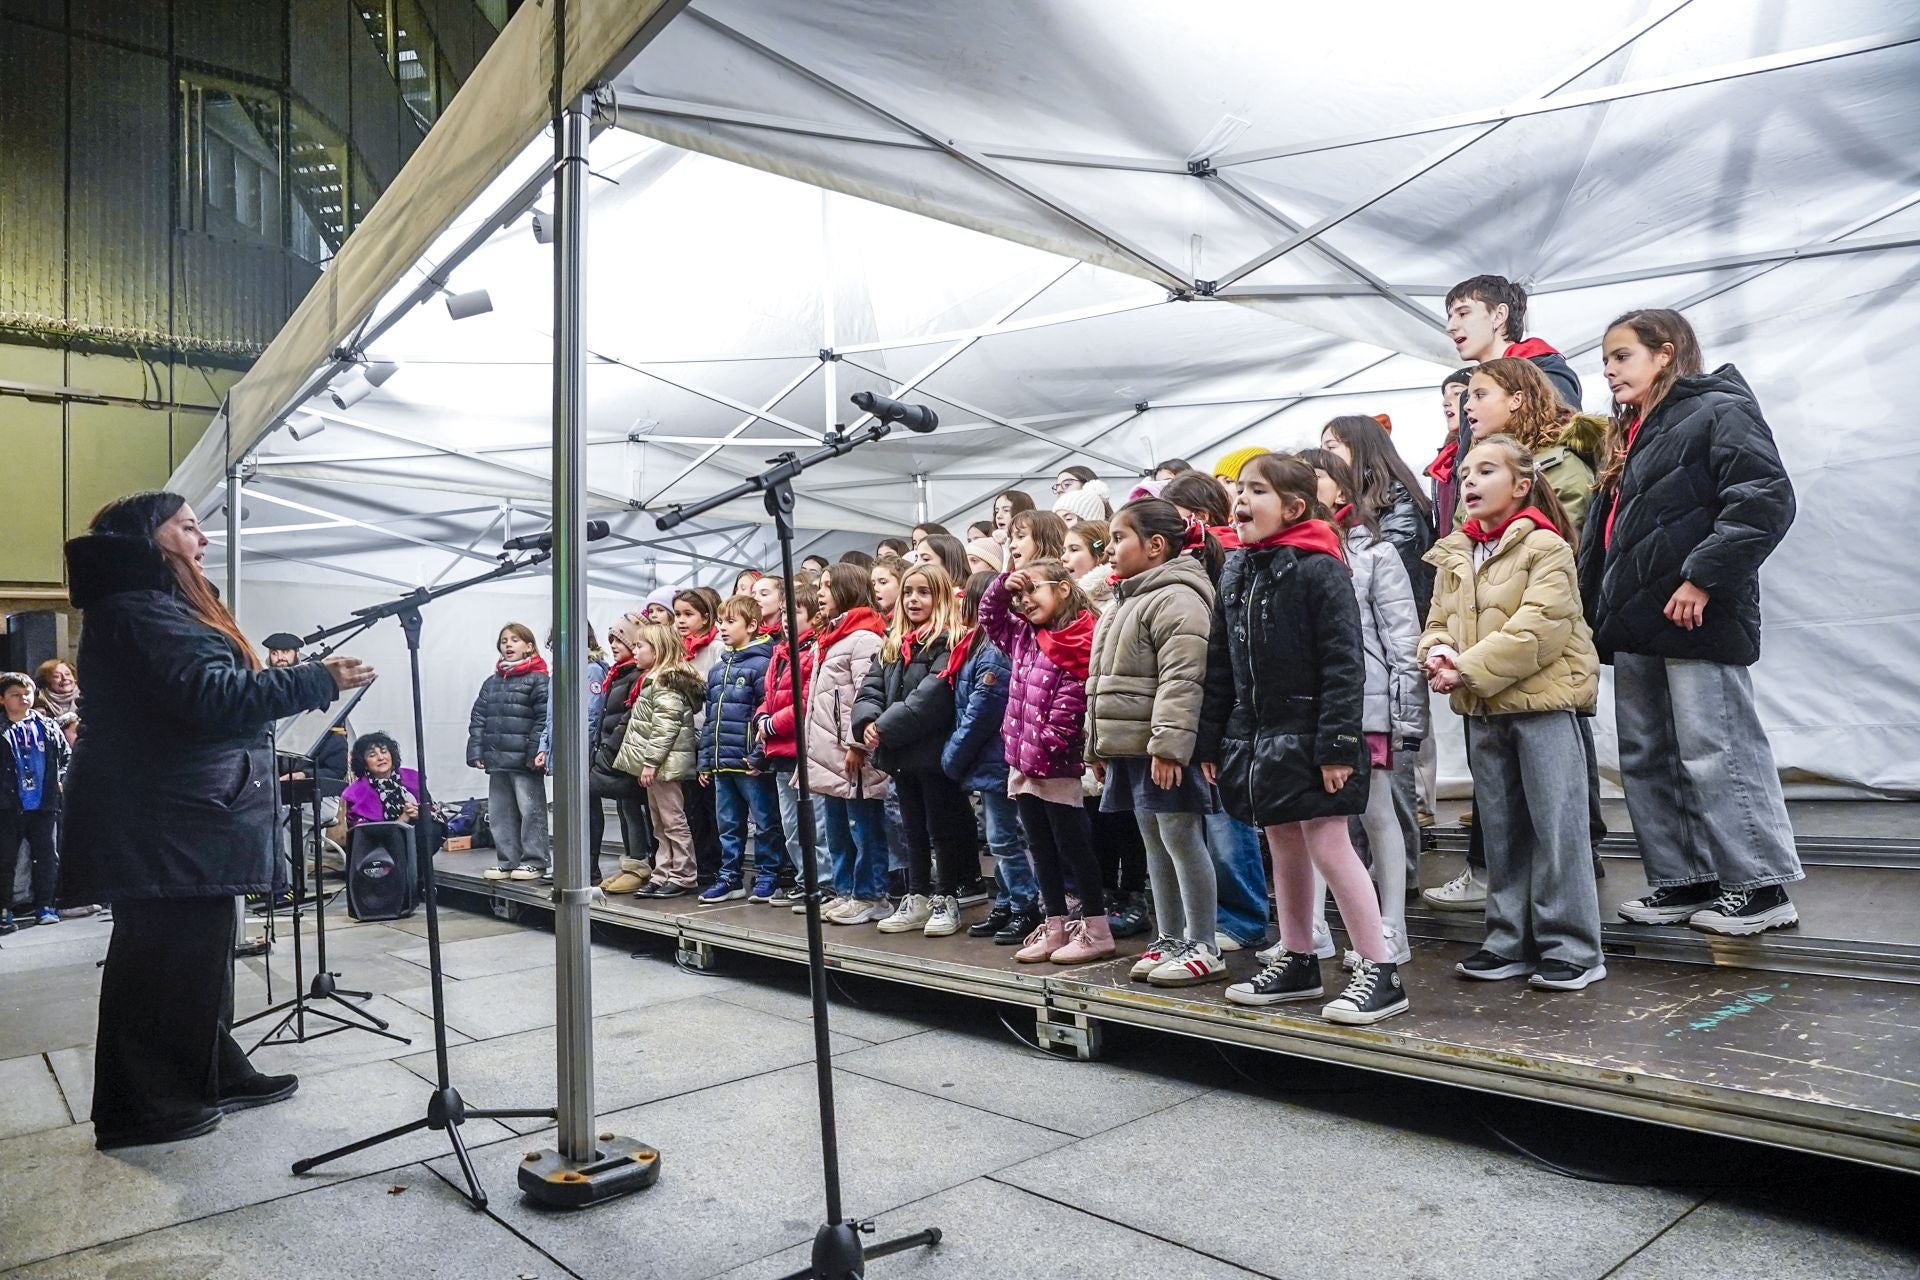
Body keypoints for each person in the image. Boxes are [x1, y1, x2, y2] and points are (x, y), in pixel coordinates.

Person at [62, 491, 370, 1149]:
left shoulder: (154, 606)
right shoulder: (142, 609)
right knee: (166, 958)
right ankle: (146, 1106)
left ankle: (211, 1070)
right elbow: (211, 698)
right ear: (150, 538)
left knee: (198, 954)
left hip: (180, 811)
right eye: (188, 525)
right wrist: (316, 679)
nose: (202, 537)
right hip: (165, 816)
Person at [1581, 309, 1802, 936]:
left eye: (1622, 355)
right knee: (1647, 754)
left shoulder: (1718, 409)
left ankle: (1760, 886)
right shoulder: (1631, 431)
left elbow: (1764, 497)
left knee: (1716, 747)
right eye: (1606, 358)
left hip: (1696, 612)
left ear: (1666, 353)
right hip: (1635, 621)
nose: (1609, 369)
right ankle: (1684, 880)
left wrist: (1703, 575)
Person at [1198, 455, 1405, 1025]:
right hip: (1259, 739)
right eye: (1240, 490)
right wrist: (1211, 740)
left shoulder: (1320, 567)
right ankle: (1298, 956)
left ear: (1292, 508)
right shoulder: (1238, 570)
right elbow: (1221, 664)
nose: (1241, 500)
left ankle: (1379, 967)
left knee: (1329, 842)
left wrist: (1337, 744)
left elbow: (1344, 664)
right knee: (1283, 841)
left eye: (1256, 490)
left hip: (1313, 735)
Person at [1423, 435, 1607, 989]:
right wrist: (1435, 652)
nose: (1470, 481)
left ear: (1522, 485)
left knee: (1557, 828)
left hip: (1542, 706)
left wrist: (1466, 668)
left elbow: (1539, 629)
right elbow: (1436, 619)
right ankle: (1508, 941)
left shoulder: (1546, 549)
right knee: (1501, 831)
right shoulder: (1455, 553)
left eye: (1486, 471)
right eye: (1466, 473)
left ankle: (1573, 947)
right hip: (1483, 709)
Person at [1086, 499, 1224, 987]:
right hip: (1132, 747)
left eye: (1119, 537)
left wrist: (1168, 746)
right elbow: (1101, 680)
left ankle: (1203, 943)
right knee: (1154, 842)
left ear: (1156, 546)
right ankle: (1168, 936)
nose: (1109, 549)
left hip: (1163, 749)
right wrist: (1097, 748)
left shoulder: (1178, 597)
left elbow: (1184, 679)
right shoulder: (1125, 598)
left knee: (1181, 839)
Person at [1299, 451, 1425, 970]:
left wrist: (1405, 717)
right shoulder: (1288, 555)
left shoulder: (1374, 551)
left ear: (1343, 490)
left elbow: (1401, 636)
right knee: (1309, 820)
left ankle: (1389, 925)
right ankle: (1310, 927)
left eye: (1317, 478)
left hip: (1365, 705)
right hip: (1305, 709)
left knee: (1376, 814)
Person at [1320, 411, 1443, 872]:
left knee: (1388, 784)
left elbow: (1398, 598)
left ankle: (1398, 879)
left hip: (1387, 653)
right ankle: (1367, 880)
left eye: (1332, 446)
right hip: (1361, 665)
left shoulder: (1391, 512)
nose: (1325, 456)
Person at [980, 559, 1111, 964]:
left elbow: (1071, 706)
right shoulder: (1023, 635)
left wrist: (1046, 748)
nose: (1023, 600)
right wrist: (1004, 585)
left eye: (1033, 589)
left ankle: (1096, 927)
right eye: (1020, 595)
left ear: (1064, 589)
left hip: (1055, 766)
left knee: (1074, 847)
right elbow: (990, 615)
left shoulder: (1082, 638)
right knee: (1039, 847)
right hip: (1024, 764)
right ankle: (1054, 924)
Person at [853, 561, 970, 936]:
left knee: (942, 829)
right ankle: (917, 896)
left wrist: (883, 728)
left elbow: (930, 697)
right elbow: (869, 689)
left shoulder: (949, 641)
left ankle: (945, 898)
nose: (913, 599)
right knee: (911, 830)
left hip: (934, 756)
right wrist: (867, 723)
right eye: (908, 592)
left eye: (924, 592)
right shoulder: (893, 643)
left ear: (940, 598)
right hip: (902, 756)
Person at [946, 571, 1041, 944]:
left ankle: (1024, 904)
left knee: (1004, 838)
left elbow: (981, 711)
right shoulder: (976, 646)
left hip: (996, 759)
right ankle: (1006, 900)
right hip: (988, 762)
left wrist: (952, 757)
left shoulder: (993, 651)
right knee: (999, 837)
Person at [804, 565, 893, 924]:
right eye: (820, 585)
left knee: (863, 827)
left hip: (853, 754)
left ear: (848, 589)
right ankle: (846, 891)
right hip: (831, 755)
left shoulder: (865, 637)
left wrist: (859, 743)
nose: (820, 593)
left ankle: (871, 894)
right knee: (839, 829)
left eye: (828, 586)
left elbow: (868, 695)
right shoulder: (832, 637)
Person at [696, 596, 789, 904]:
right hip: (723, 762)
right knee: (729, 824)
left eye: (730, 622)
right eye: (720, 621)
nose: (722, 627)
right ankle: (730, 877)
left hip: (749, 763)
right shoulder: (718, 669)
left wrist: (760, 755)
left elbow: (766, 710)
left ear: (751, 626)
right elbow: (711, 718)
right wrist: (706, 760)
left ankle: (767, 875)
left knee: (765, 821)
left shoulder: (763, 664)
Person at [1460, 358, 1604, 530]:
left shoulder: (1561, 465)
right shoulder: (1473, 470)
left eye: (1480, 395)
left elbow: (1563, 546)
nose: (1467, 406)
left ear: (1516, 400)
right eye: (1468, 398)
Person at [618, 622, 705, 899]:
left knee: (673, 820)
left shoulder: (666, 682)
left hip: (665, 767)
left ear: (657, 651)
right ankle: (663, 872)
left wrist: (651, 762)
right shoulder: (654, 679)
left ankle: (683, 874)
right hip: (658, 768)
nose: (635, 649)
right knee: (659, 822)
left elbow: (664, 727)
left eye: (640, 645)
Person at [754, 572, 821, 907]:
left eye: (795, 613)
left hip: (800, 751)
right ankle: (802, 879)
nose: (785, 620)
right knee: (791, 825)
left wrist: (772, 724)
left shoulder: (811, 653)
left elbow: (805, 700)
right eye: (783, 614)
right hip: (780, 750)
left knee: (812, 825)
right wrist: (762, 717)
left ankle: (822, 882)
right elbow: (770, 695)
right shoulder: (780, 652)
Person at [468, 623, 551, 883]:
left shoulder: (539, 680)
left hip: (525, 761)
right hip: (498, 758)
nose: (508, 644)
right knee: (500, 812)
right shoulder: (491, 682)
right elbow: (479, 716)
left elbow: (544, 719)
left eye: (515, 640)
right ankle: (507, 860)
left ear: (529, 646)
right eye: (504, 640)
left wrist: (536, 751)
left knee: (531, 811)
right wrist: (476, 749)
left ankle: (534, 860)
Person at [1443, 274, 1583, 409]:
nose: (1450, 327)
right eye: (1450, 317)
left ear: (1499, 315)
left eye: (1463, 314)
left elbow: (1568, 432)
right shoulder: (1469, 395)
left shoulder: (1544, 375)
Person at [0, 673, 69, 932]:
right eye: (16, 694)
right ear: (2, 699)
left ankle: (46, 906)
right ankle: (4, 909)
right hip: (7, 804)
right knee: (5, 858)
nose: (24, 698)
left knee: (47, 856)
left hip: (44, 802)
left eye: (27, 692)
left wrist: (61, 779)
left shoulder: (47, 726)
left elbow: (66, 757)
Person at [592, 615, 655, 894]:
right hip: (613, 752)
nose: (614, 646)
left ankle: (641, 863)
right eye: (612, 641)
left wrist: (609, 747)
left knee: (634, 809)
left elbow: (631, 718)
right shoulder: (617, 674)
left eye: (620, 639)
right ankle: (631, 863)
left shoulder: (637, 676)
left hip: (627, 754)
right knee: (624, 807)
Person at [673, 589, 725, 887]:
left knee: (711, 805)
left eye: (688, 614)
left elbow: (713, 695)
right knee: (691, 806)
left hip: (709, 737)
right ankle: (700, 865)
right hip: (685, 739)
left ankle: (714, 865)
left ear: (706, 617)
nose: (681, 620)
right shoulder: (679, 650)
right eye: (678, 614)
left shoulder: (716, 649)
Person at [340, 731, 420, 825]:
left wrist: (420, 815)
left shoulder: (413, 778)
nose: (381, 758)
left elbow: (434, 814)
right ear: (364, 763)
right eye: (372, 755)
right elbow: (364, 835)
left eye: (384, 752)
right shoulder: (355, 794)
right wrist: (403, 819)